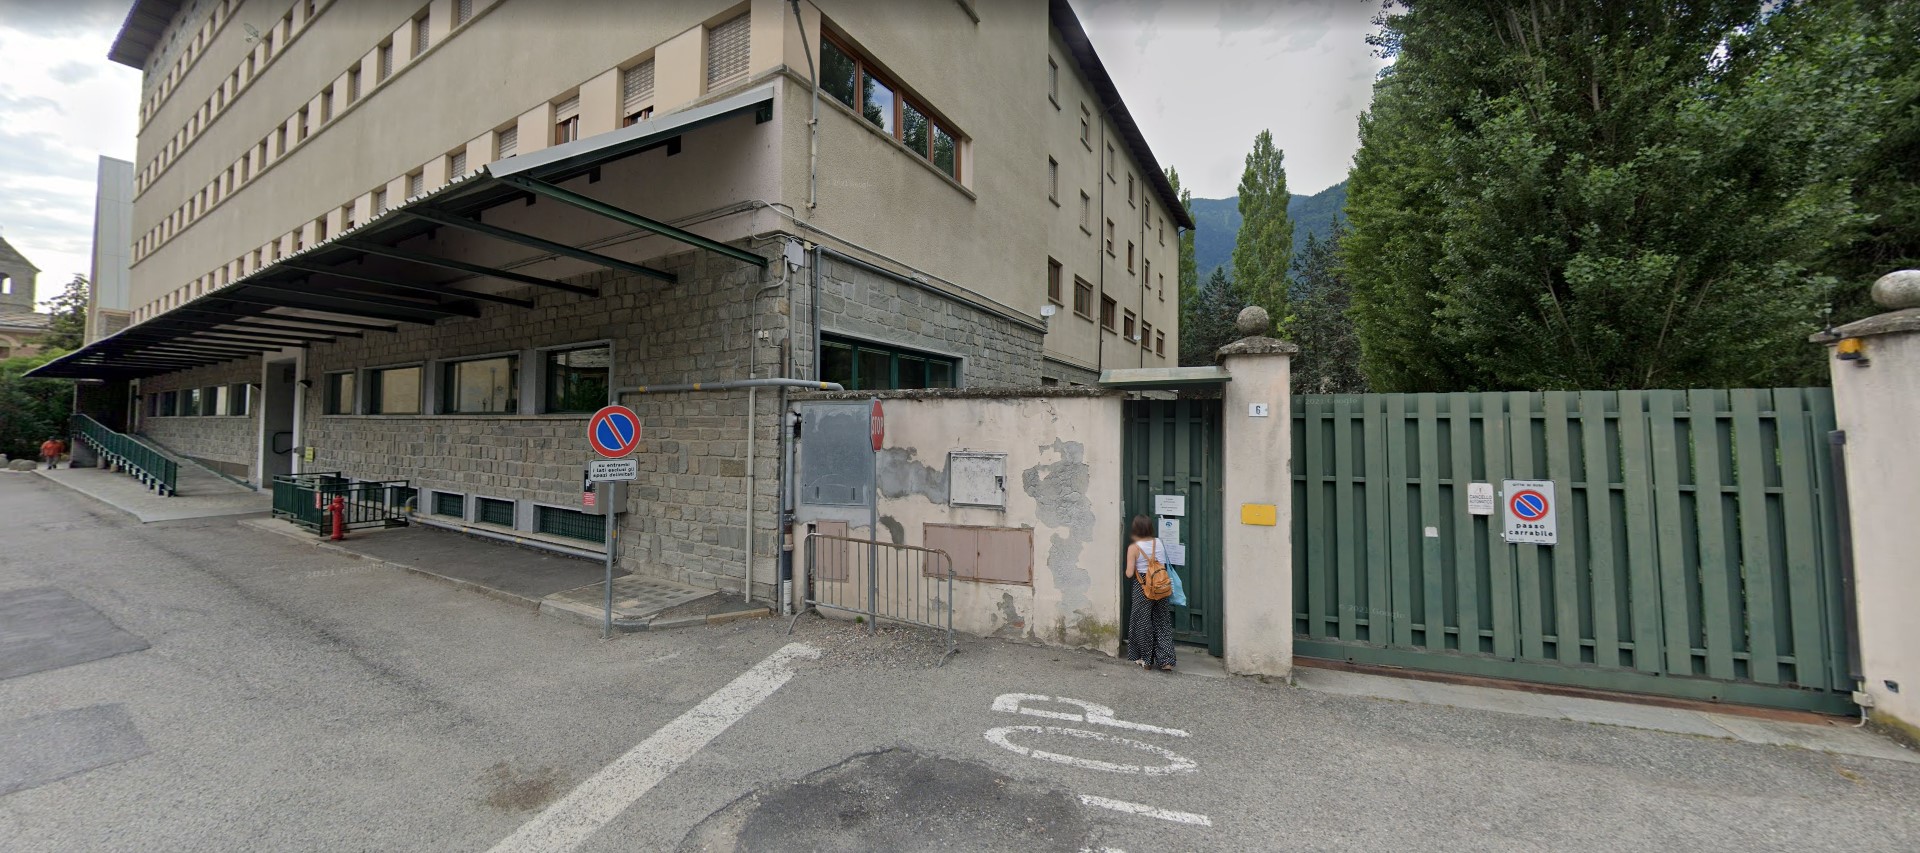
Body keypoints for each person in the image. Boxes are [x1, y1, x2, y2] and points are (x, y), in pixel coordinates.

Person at [1123, 514, 1175, 672]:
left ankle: (1146, 660)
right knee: (1162, 621)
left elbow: (1129, 574)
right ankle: (1166, 661)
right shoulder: (1158, 542)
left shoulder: (1134, 547)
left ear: (1135, 529)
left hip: (1143, 586)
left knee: (1142, 622)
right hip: (1160, 584)